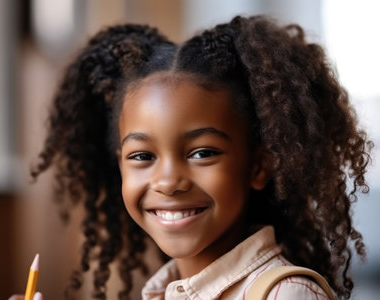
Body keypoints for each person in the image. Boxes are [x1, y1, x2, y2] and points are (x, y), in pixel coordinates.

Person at [20, 15, 373, 299]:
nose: (169, 181)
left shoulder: (285, 294)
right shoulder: (164, 291)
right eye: (142, 156)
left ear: (259, 165)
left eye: (202, 153)